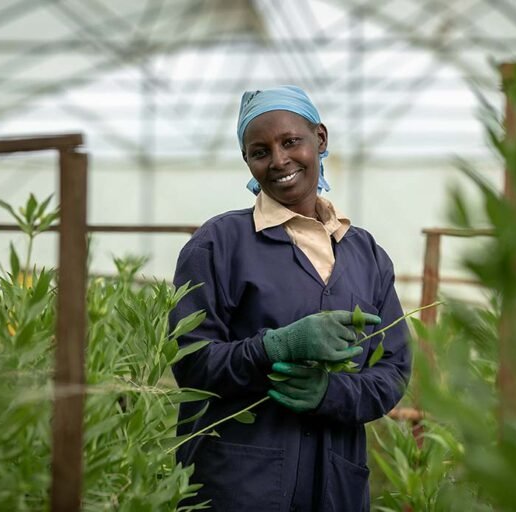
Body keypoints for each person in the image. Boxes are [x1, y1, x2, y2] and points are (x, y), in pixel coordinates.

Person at [169, 85, 410, 512]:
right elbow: (190, 362)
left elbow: (393, 370)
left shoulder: (366, 254)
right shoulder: (218, 244)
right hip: (238, 487)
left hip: (334, 488)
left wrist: (330, 394)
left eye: (290, 142)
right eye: (259, 151)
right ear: (248, 162)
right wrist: (274, 347)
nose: (278, 160)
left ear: (320, 139)